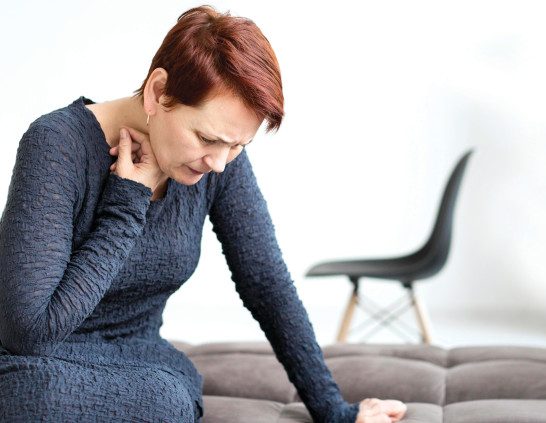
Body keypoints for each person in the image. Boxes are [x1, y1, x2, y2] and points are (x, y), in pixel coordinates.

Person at [0, 5, 407, 423]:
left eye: (238, 146)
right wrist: (126, 207)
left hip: (139, 363)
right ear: (158, 92)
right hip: (28, 363)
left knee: (169, 401)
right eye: (206, 138)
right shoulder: (56, 144)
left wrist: (335, 411)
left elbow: (266, 283)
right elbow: (28, 333)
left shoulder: (218, 160)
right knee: (42, 398)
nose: (219, 163)